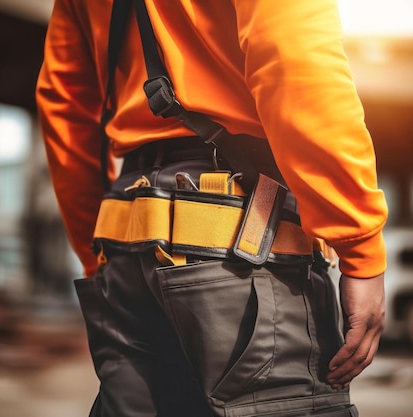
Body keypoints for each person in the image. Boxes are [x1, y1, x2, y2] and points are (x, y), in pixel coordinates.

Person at [36, 1, 388, 416]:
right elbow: (293, 57)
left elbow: (64, 103)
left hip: (125, 242)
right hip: (240, 241)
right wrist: (359, 244)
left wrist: (95, 256)